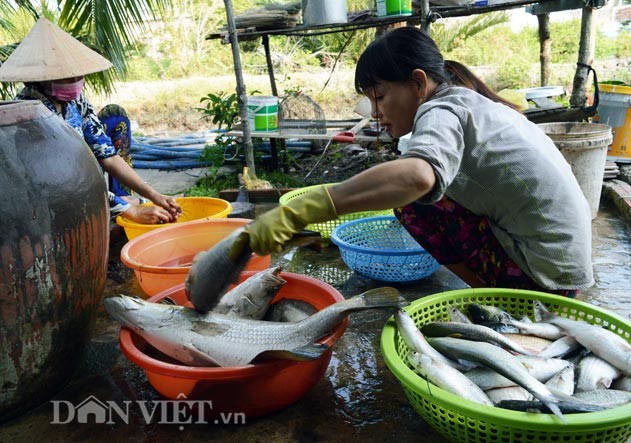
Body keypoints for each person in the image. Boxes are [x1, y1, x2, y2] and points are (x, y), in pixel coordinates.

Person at [238, 26, 593, 297]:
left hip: (548, 281)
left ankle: (497, 297)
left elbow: (418, 176)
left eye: (379, 97)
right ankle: (493, 294)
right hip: (556, 265)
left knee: (413, 206)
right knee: (424, 199)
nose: (375, 114)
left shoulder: (443, 108)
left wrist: (303, 210)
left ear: (418, 83)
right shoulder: (467, 102)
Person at [0, 18, 181, 224]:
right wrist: (128, 210)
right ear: (38, 79)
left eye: (78, 76)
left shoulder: (77, 102)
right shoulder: (29, 112)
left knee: (116, 116)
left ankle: (119, 197)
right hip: (53, 192)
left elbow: (108, 156)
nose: (76, 83)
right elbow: (65, 180)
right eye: (67, 78)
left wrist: (153, 195)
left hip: (81, 175)